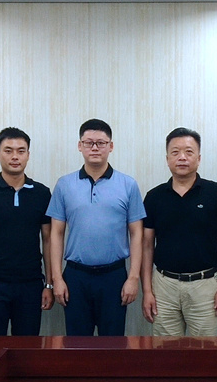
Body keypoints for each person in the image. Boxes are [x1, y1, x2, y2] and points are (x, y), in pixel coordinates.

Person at [47, 118, 146, 336]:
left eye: (101, 143)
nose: (94, 148)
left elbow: (137, 234)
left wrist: (133, 278)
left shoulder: (128, 184)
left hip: (114, 276)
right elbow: (56, 233)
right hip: (75, 276)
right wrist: (57, 278)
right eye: (88, 142)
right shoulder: (64, 184)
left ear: (111, 146)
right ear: (79, 145)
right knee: (76, 344)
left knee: (112, 344)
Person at [141, 128, 217, 336]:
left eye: (189, 152)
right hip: (164, 286)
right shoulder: (154, 197)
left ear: (199, 158)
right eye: (175, 152)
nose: (182, 157)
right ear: (167, 159)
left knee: (204, 351)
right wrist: (147, 291)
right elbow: (146, 246)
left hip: (205, 286)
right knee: (165, 350)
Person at [0, 127, 54, 336]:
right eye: (8, 151)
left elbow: (49, 240)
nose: (15, 156)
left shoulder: (42, 193)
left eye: (21, 151)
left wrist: (49, 285)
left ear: (28, 155)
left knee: (27, 347)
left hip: (31, 284)